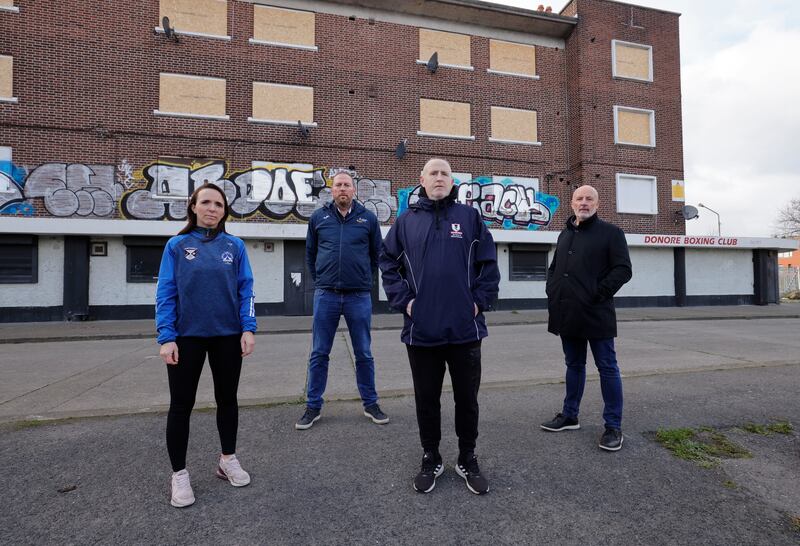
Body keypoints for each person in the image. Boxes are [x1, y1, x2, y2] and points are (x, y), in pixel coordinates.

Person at [380, 158, 500, 495]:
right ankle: (430, 456)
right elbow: (387, 262)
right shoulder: (405, 222)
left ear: (452, 181)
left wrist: (479, 302)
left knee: (467, 400)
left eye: (444, 173)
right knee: (427, 400)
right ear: (421, 180)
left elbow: (488, 264)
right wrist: (406, 302)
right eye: (433, 173)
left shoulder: (470, 218)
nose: (438, 177)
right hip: (422, 331)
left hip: (465, 329)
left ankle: (467, 457)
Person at [156, 183, 257, 508]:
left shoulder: (235, 246)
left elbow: (246, 289)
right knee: (181, 405)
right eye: (207, 202)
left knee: (227, 400)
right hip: (187, 337)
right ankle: (180, 474)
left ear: (224, 210)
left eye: (219, 204)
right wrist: (166, 336)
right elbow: (166, 292)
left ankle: (227, 459)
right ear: (193, 206)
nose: (213, 208)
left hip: (228, 335)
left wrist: (248, 328)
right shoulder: (176, 246)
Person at [540, 184, 632, 451]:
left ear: (597, 204)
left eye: (589, 198)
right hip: (567, 312)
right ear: (572, 203)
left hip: (596, 312)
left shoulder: (611, 233)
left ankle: (613, 426)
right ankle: (570, 415)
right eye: (579, 198)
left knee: (607, 367)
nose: (583, 202)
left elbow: (623, 270)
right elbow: (555, 267)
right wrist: (552, 289)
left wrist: (597, 292)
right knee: (574, 364)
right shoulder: (564, 234)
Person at [296, 168, 388, 430]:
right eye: (338, 185)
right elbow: (311, 254)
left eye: (347, 185)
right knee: (319, 353)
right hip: (326, 295)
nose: (343, 189)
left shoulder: (368, 219)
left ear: (354, 190)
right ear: (332, 190)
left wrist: (361, 278)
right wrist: (322, 279)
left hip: (358, 295)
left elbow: (375, 256)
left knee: (364, 353)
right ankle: (313, 406)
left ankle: (371, 403)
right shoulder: (319, 218)